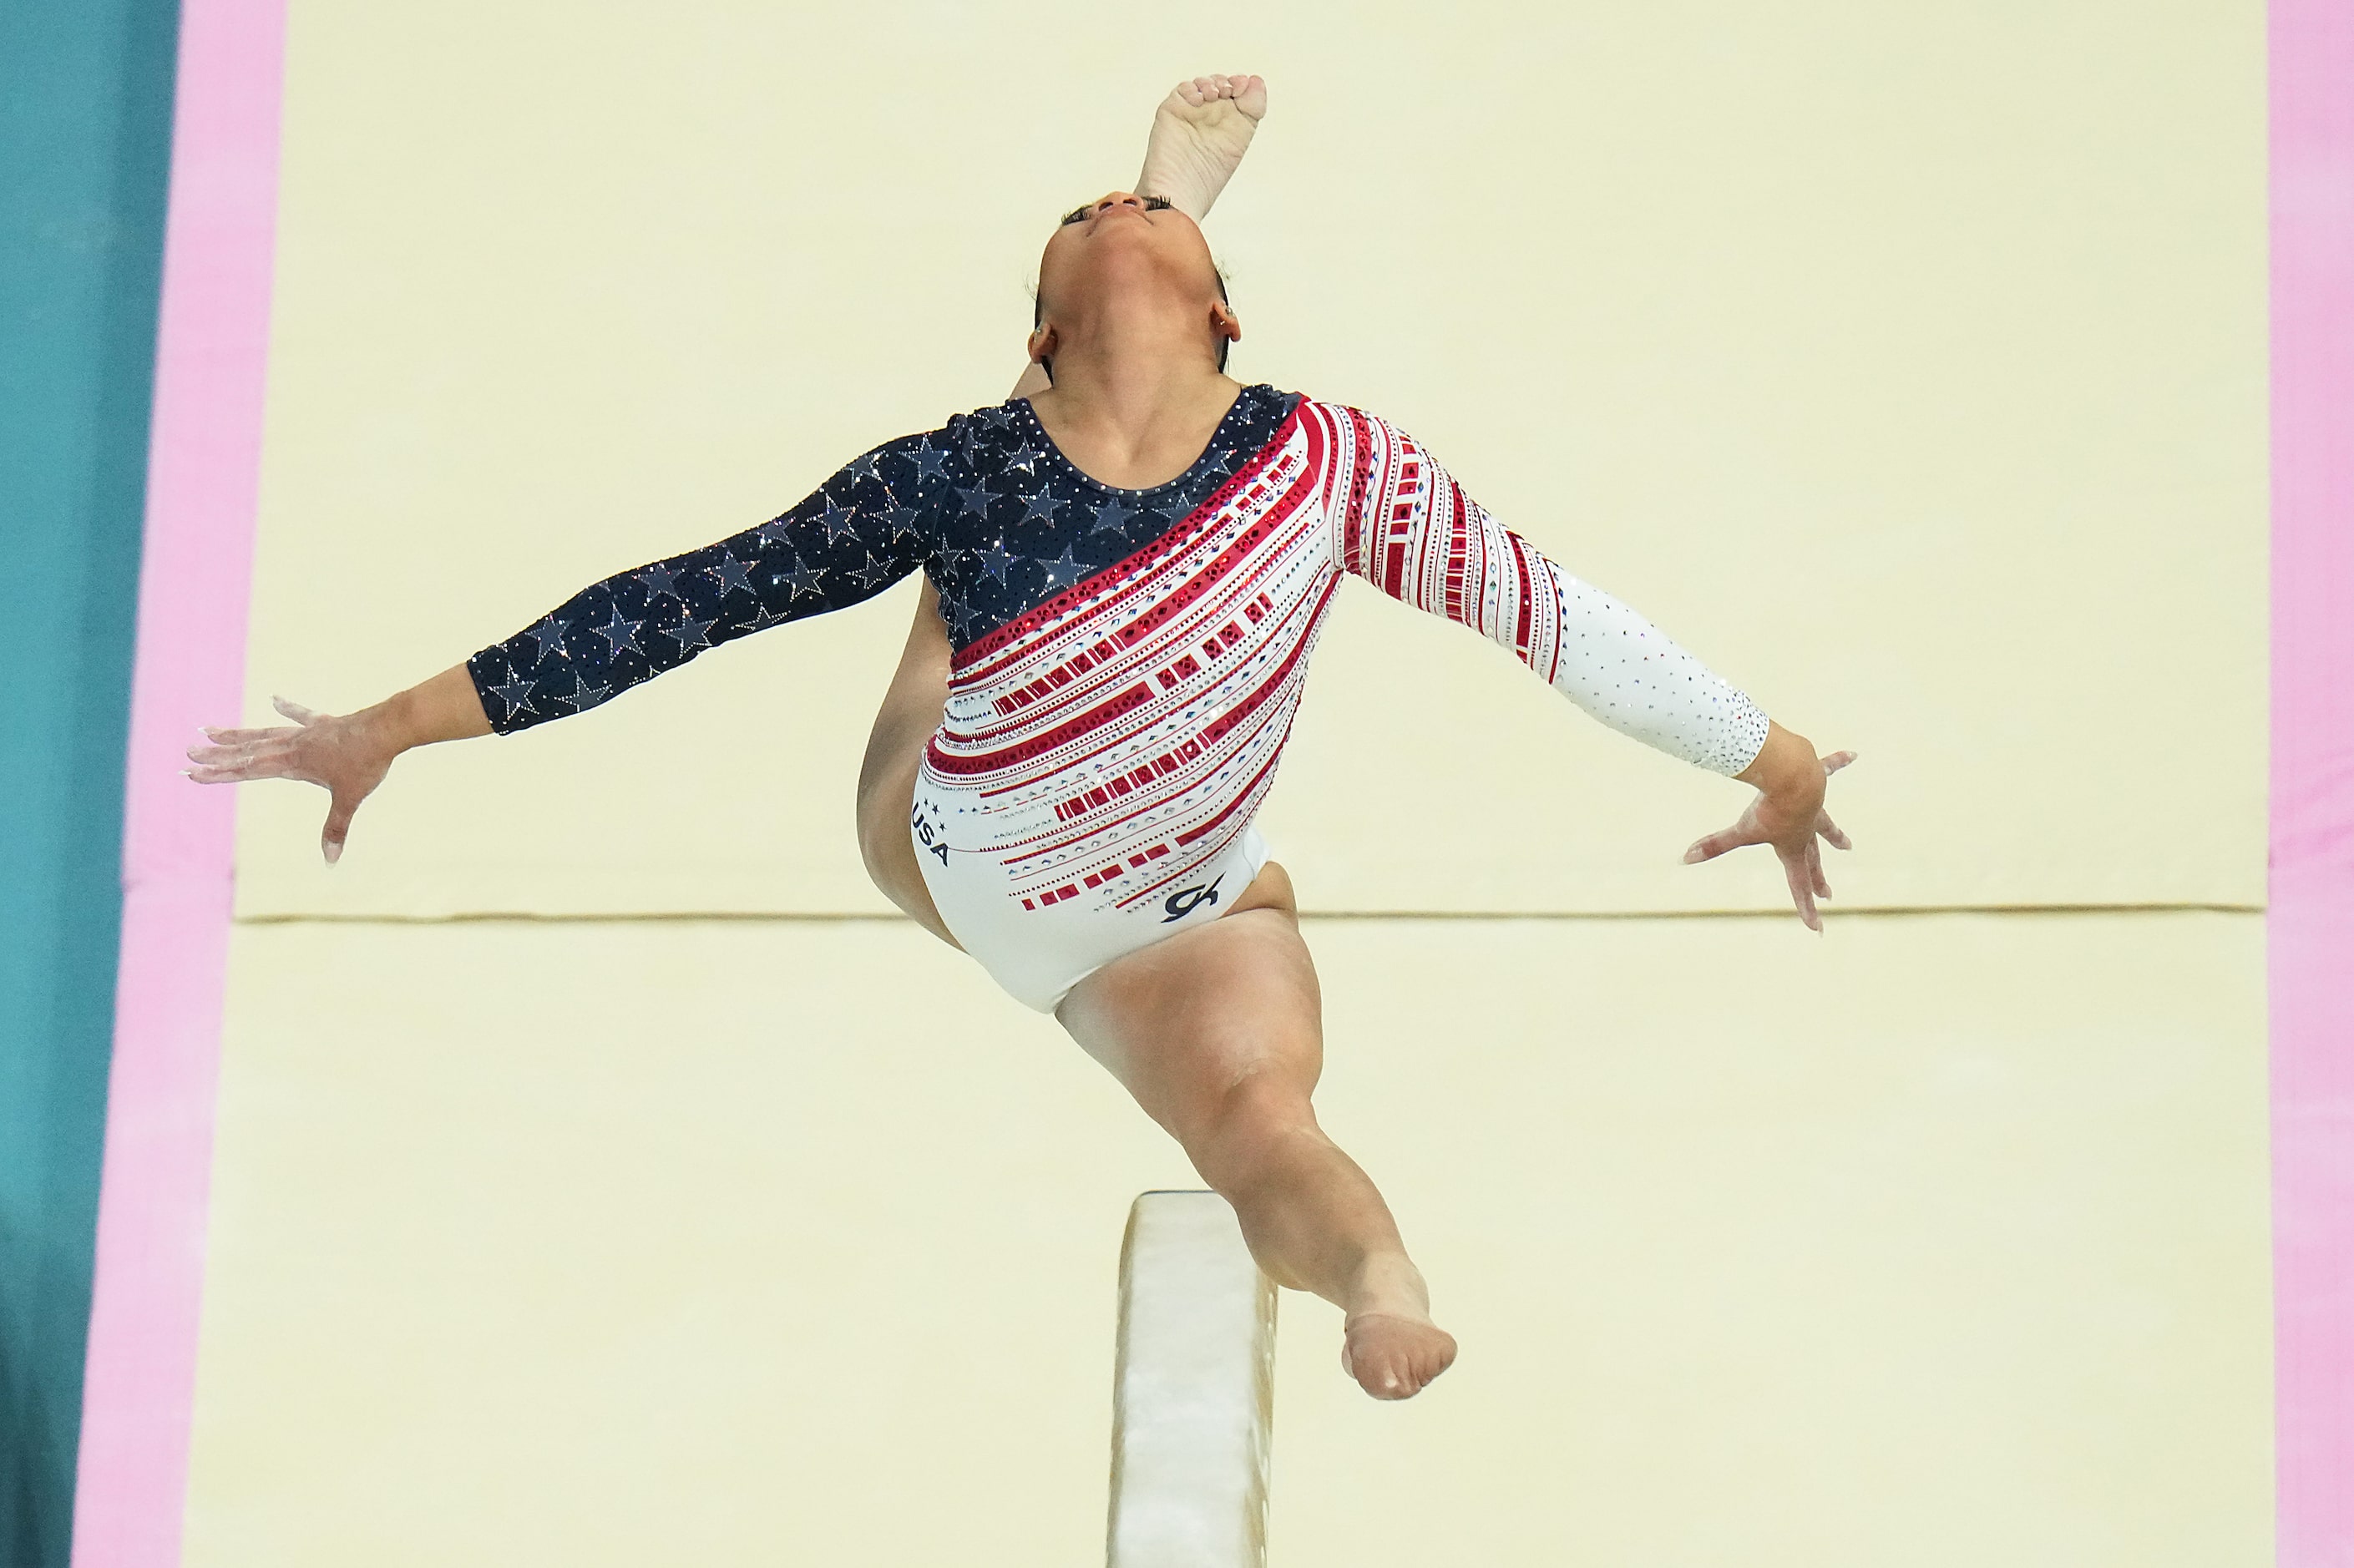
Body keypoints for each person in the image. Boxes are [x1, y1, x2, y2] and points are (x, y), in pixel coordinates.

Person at [188, 75, 1854, 1402]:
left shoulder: (1335, 463)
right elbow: (686, 603)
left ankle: (1381, 1280)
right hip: (950, 835)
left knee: (1267, 1128)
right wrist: (390, 727)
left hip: (1182, 918)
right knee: (964, 578)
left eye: (1144, 215)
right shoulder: (947, 470)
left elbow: (1550, 613)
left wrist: (1765, 751)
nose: (1111, 221)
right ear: (1045, 323)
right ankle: (1004, 559)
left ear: (1228, 318)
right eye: (1091, 215)